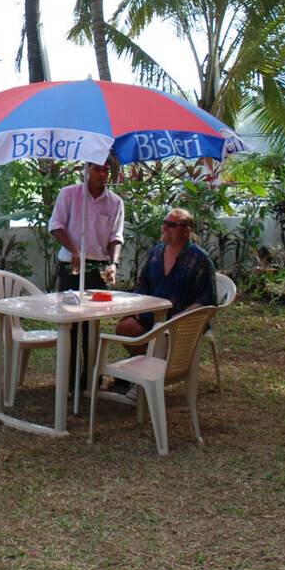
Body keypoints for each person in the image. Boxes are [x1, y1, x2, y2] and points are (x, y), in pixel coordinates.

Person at [47, 160, 124, 395]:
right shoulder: (69, 194)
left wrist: (113, 263)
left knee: (92, 328)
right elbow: (55, 226)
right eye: (99, 169)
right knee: (70, 326)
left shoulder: (115, 202)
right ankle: (68, 384)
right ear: (87, 169)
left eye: (107, 170)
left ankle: (90, 381)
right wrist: (74, 249)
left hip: (98, 268)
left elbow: (115, 237)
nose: (103, 174)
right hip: (71, 266)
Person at [116, 207, 217, 347]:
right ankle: (149, 364)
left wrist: (182, 316)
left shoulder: (199, 259)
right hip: (152, 314)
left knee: (166, 342)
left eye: (172, 225)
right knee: (125, 327)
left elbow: (207, 300)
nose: (165, 227)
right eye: (165, 222)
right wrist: (138, 309)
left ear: (187, 231)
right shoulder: (156, 252)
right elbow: (142, 284)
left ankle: (162, 366)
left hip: (182, 319)